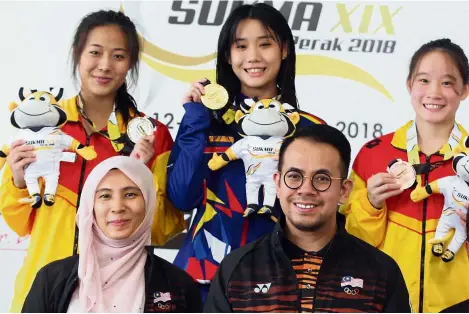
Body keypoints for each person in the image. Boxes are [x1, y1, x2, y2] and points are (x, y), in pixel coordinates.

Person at [0, 10, 184, 312]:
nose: (104, 66)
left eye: (118, 56)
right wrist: (19, 182)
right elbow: (19, 224)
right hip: (42, 291)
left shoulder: (152, 134)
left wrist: (143, 174)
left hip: (120, 298)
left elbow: (163, 229)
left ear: (132, 64)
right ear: (77, 55)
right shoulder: (44, 123)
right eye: (95, 52)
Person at [166, 3, 326, 302]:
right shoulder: (204, 119)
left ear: (285, 50)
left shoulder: (309, 129)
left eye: (265, 44)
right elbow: (182, 198)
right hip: (202, 281)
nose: (253, 56)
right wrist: (194, 118)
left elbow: (322, 214)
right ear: (228, 55)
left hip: (280, 284)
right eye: (241, 46)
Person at [204, 124, 411, 313]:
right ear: (277, 183)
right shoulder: (237, 269)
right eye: (294, 176)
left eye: (322, 179)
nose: (305, 190)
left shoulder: (381, 273)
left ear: (344, 191)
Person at [340, 38, 469, 313]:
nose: (434, 92)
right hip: (386, 299)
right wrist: (371, 204)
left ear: (465, 90)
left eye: (447, 82)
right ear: (409, 84)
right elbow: (354, 242)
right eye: (424, 80)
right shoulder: (373, 154)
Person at [22, 156, 202, 313]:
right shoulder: (51, 278)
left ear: (149, 202)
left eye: (130, 194)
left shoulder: (178, 284)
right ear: (90, 205)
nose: (117, 207)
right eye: (105, 196)